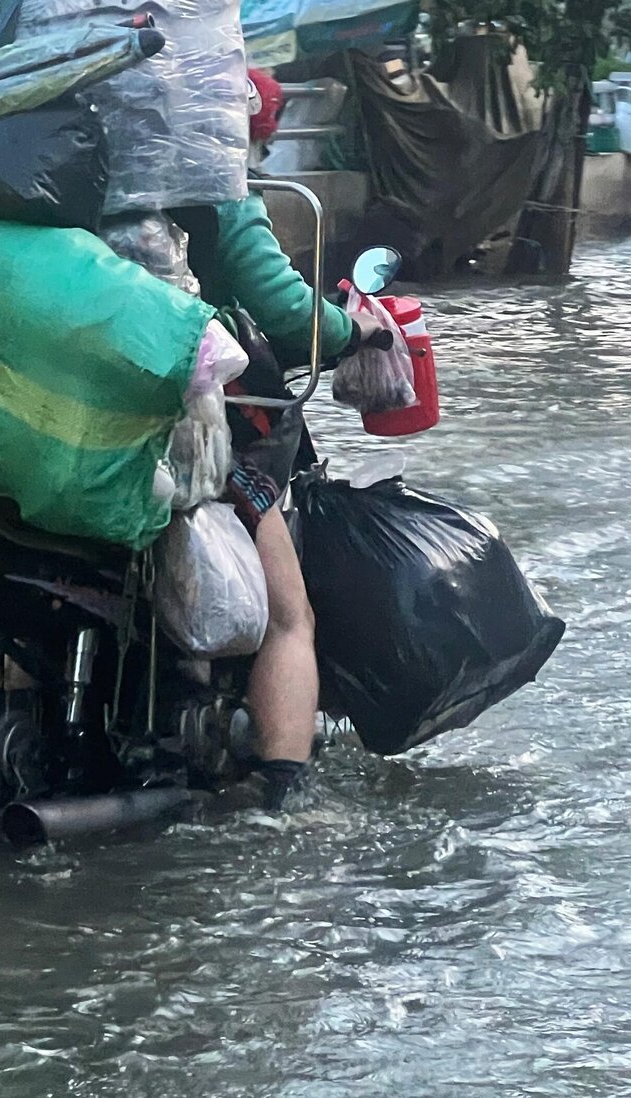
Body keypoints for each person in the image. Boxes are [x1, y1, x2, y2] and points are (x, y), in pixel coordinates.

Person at [171, 194, 369, 809]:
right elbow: (286, 308)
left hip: (15, 433)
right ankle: (283, 791)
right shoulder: (215, 198)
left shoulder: (4, 197)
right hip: (179, 426)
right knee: (289, 618)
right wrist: (354, 328)